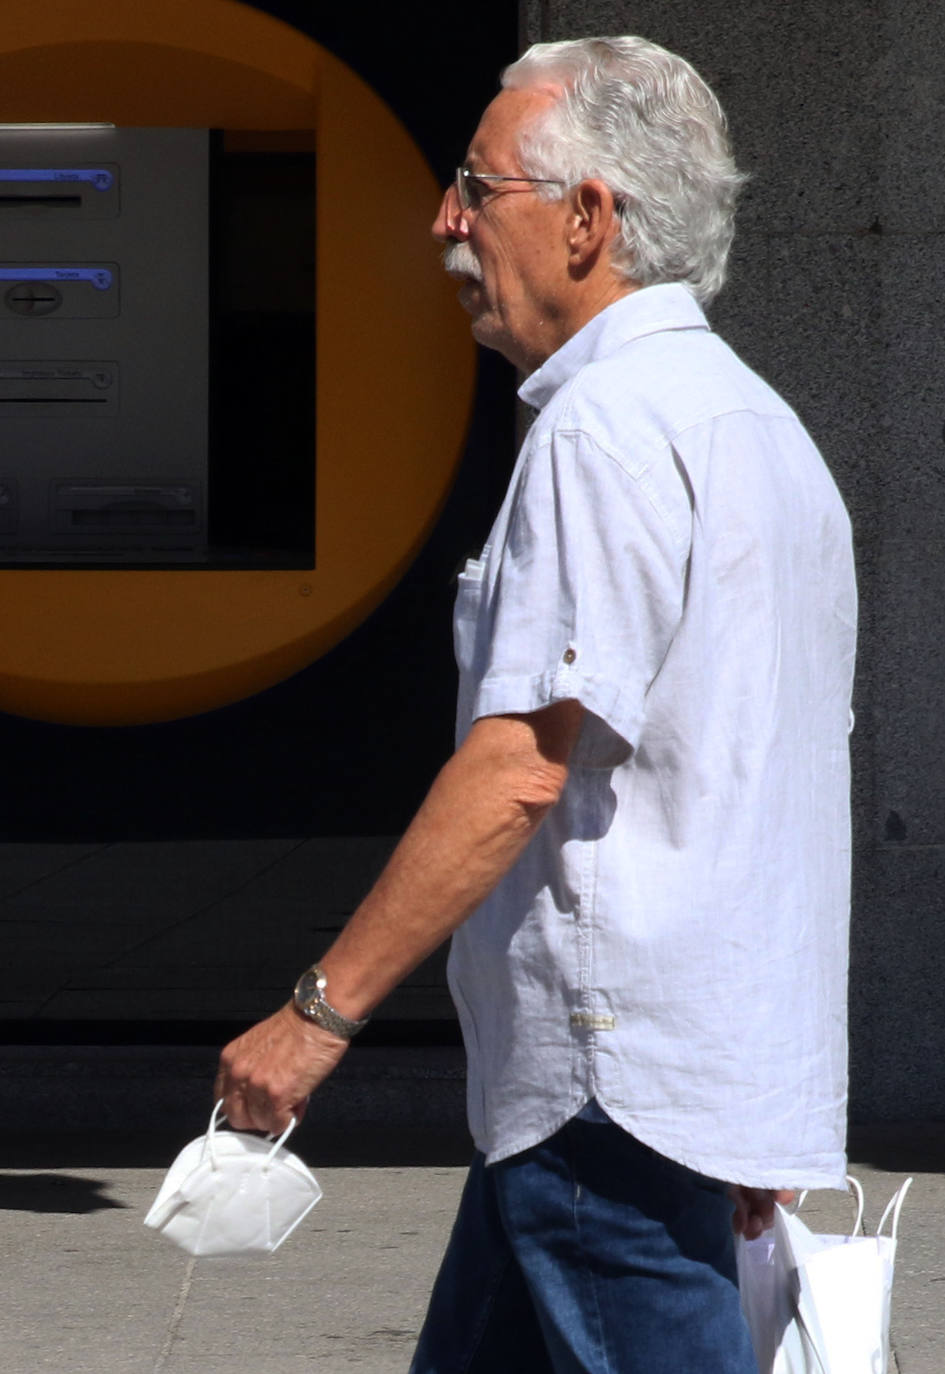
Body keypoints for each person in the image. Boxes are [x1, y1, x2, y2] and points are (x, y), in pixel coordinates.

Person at [215, 35, 857, 1374]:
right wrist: (744, 1109)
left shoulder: (602, 429)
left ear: (588, 218)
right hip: (642, 1096)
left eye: (476, 185)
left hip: (602, 1100)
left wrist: (315, 1014)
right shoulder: (754, 428)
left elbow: (518, 765)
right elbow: (762, 778)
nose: (445, 219)